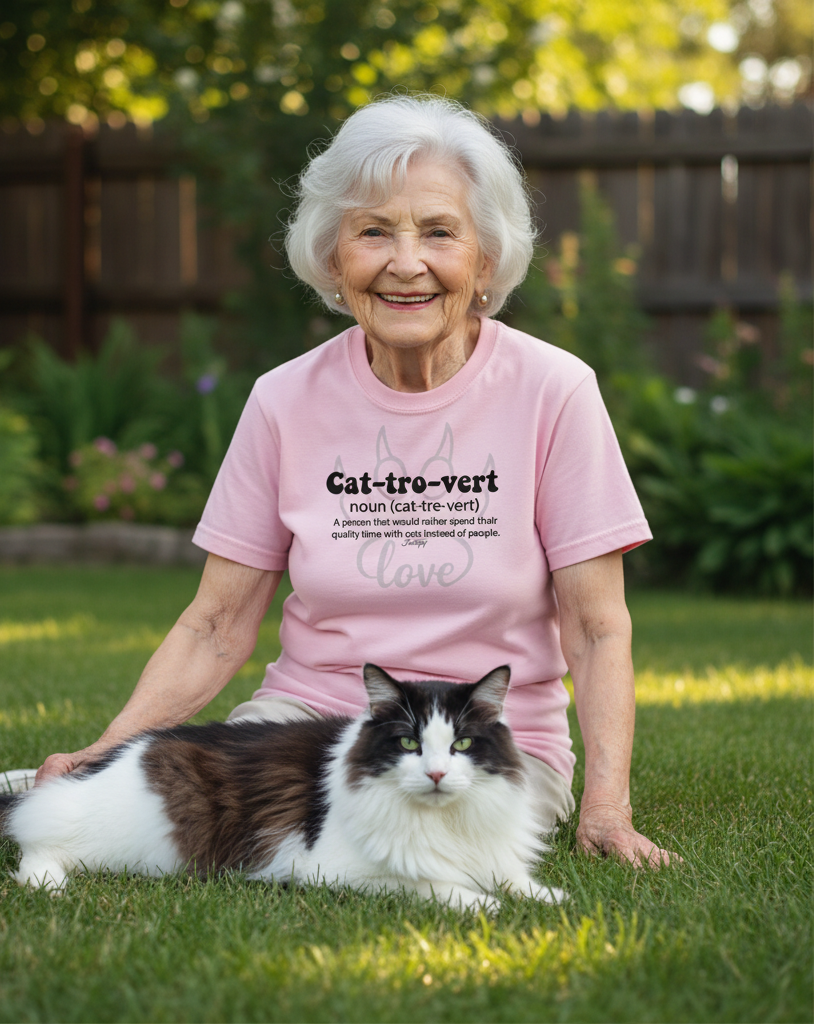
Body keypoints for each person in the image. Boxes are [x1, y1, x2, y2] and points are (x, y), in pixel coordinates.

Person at [35, 94, 675, 868]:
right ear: (336, 260)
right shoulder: (283, 399)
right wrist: (108, 750)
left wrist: (608, 807)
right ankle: (54, 796)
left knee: (371, 844)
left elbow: (597, 628)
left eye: (439, 232)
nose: (406, 263)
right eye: (374, 232)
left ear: (485, 260)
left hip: (484, 746)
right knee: (168, 806)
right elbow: (214, 624)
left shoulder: (554, 391)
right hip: (305, 721)